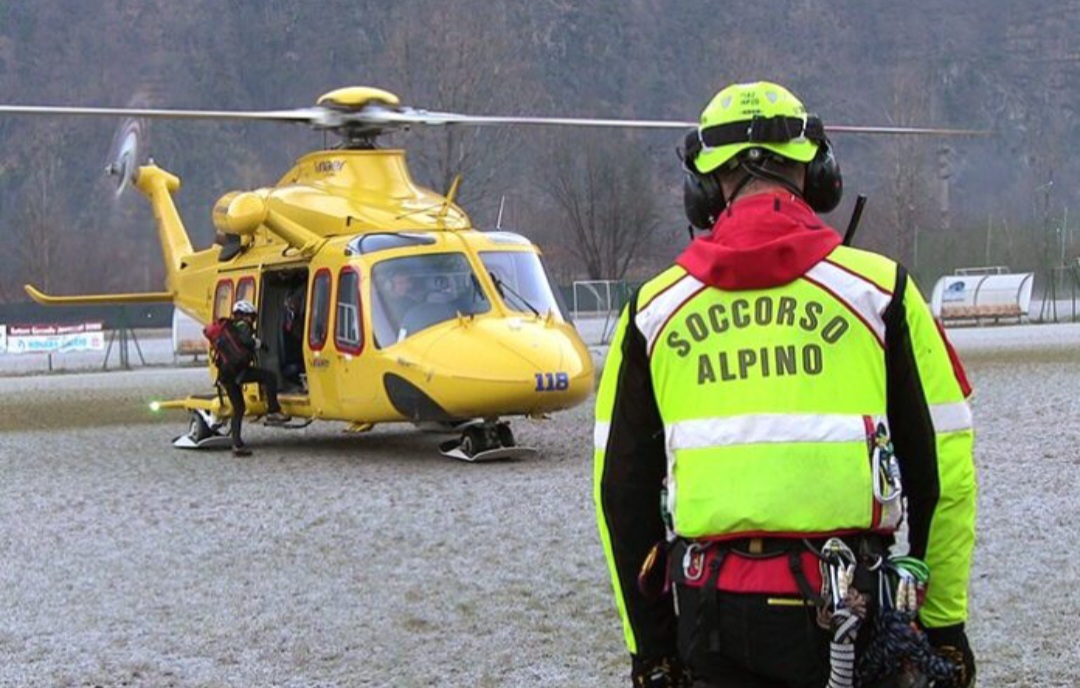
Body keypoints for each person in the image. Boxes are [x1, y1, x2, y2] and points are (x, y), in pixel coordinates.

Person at [594, 82, 977, 688]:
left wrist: (651, 649)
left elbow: (619, 493)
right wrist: (943, 624)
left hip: (708, 620)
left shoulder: (650, 312)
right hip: (854, 612)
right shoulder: (884, 295)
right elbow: (947, 470)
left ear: (701, 187)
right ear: (819, 173)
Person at [217, 300, 291, 456]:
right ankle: (273, 410)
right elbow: (246, 341)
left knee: (238, 409)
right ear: (244, 315)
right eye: (252, 316)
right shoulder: (242, 326)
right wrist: (259, 344)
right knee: (269, 377)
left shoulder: (231, 328)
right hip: (238, 371)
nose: (252, 320)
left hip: (226, 374)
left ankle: (237, 445)